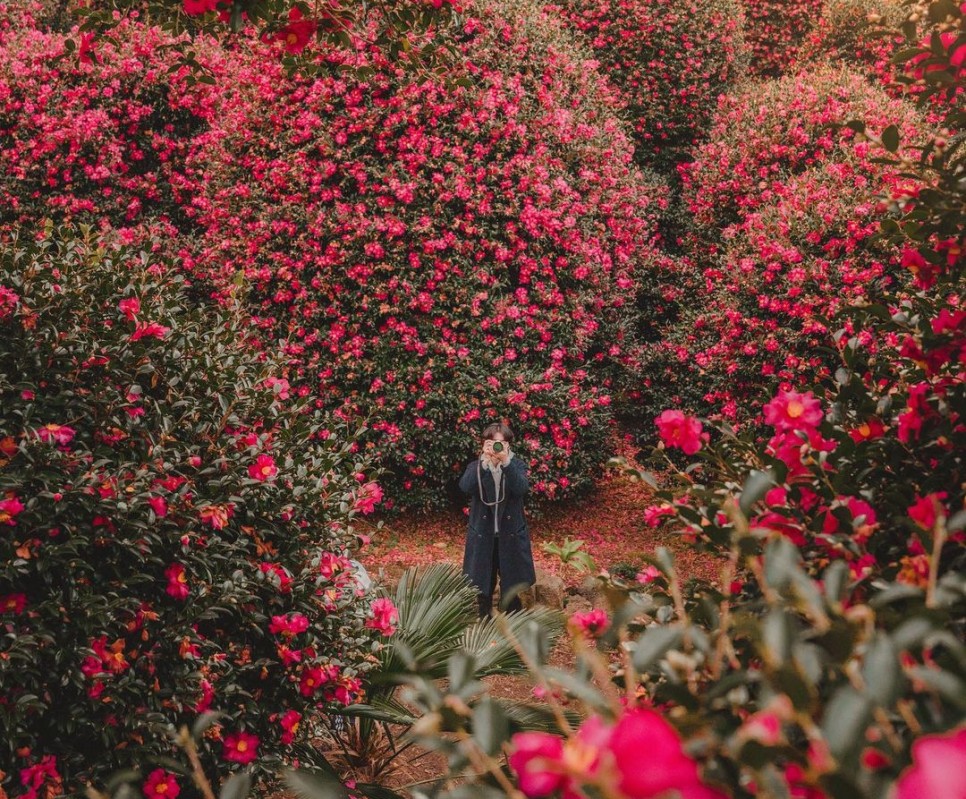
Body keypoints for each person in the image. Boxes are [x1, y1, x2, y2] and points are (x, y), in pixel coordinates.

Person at [459, 422, 535, 618]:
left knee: (511, 580)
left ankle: (512, 618)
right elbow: (465, 487)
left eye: (500, 443)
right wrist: (485, 465)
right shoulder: (476, 467)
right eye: (492, 442)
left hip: (509, 534)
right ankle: (485, 618)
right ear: (485, 444)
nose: (496, 447)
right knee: (483, 579)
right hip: (484, 533)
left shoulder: (516, 465)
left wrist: (505, 463)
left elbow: (521, 488)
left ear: (508, 445)